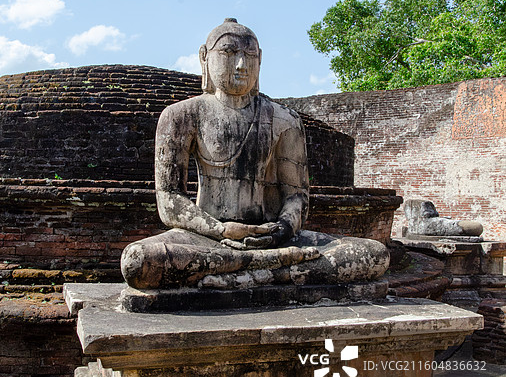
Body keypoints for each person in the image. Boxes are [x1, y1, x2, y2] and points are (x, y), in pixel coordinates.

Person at [121, 19, 389, 290]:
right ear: (205, 57)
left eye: (250, 56)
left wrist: (281, 230)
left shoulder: (284, 119)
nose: (241, 65)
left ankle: (247, 274)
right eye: (228, 53)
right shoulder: (182, 116)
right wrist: (221, 230)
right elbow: (169, 200)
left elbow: (297, 196)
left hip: (270, 237)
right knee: (138, 260)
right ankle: (274, 269)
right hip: (207, 239)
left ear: (260, 60)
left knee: (372, 254)